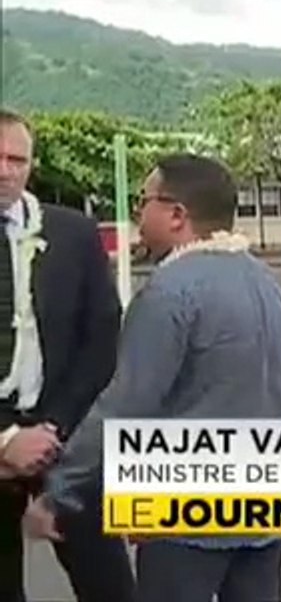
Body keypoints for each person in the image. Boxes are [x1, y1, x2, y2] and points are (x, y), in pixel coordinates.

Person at [25, 153, 281, 602]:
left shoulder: (170, 292)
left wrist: (59, 491)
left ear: (176, 215)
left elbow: (126, 403)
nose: (137, 214)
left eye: (143, 201)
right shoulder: (266, 281)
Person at [0, 109, 135, 602]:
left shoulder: (73, 233)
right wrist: (6, 440)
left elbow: (101, 340)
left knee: (110, 586)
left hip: (65, 439)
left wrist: (52, 428)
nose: (6, 170)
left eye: (17, 159)